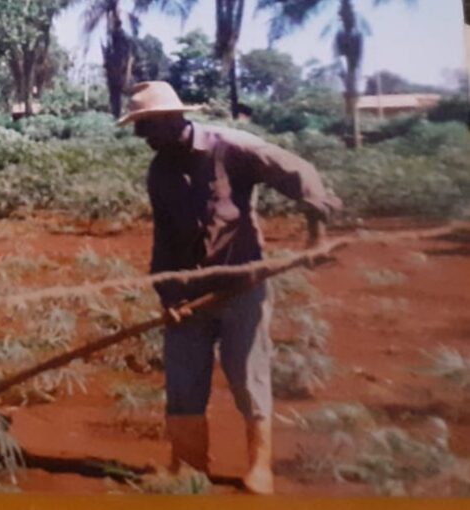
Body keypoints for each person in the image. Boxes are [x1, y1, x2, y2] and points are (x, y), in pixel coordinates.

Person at [117, 81, 342, 495]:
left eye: (145, 127)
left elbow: (300, 172)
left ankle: (260, 468)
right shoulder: (160, 171)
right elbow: (164, 238)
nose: (141, 137)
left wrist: (317, 236)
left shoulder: (232, 147)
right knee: (183, 382)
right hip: (187, 291)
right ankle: (188, 466)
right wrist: (167, 296)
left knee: (248, 376)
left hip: (242, 286)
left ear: (170, 119)